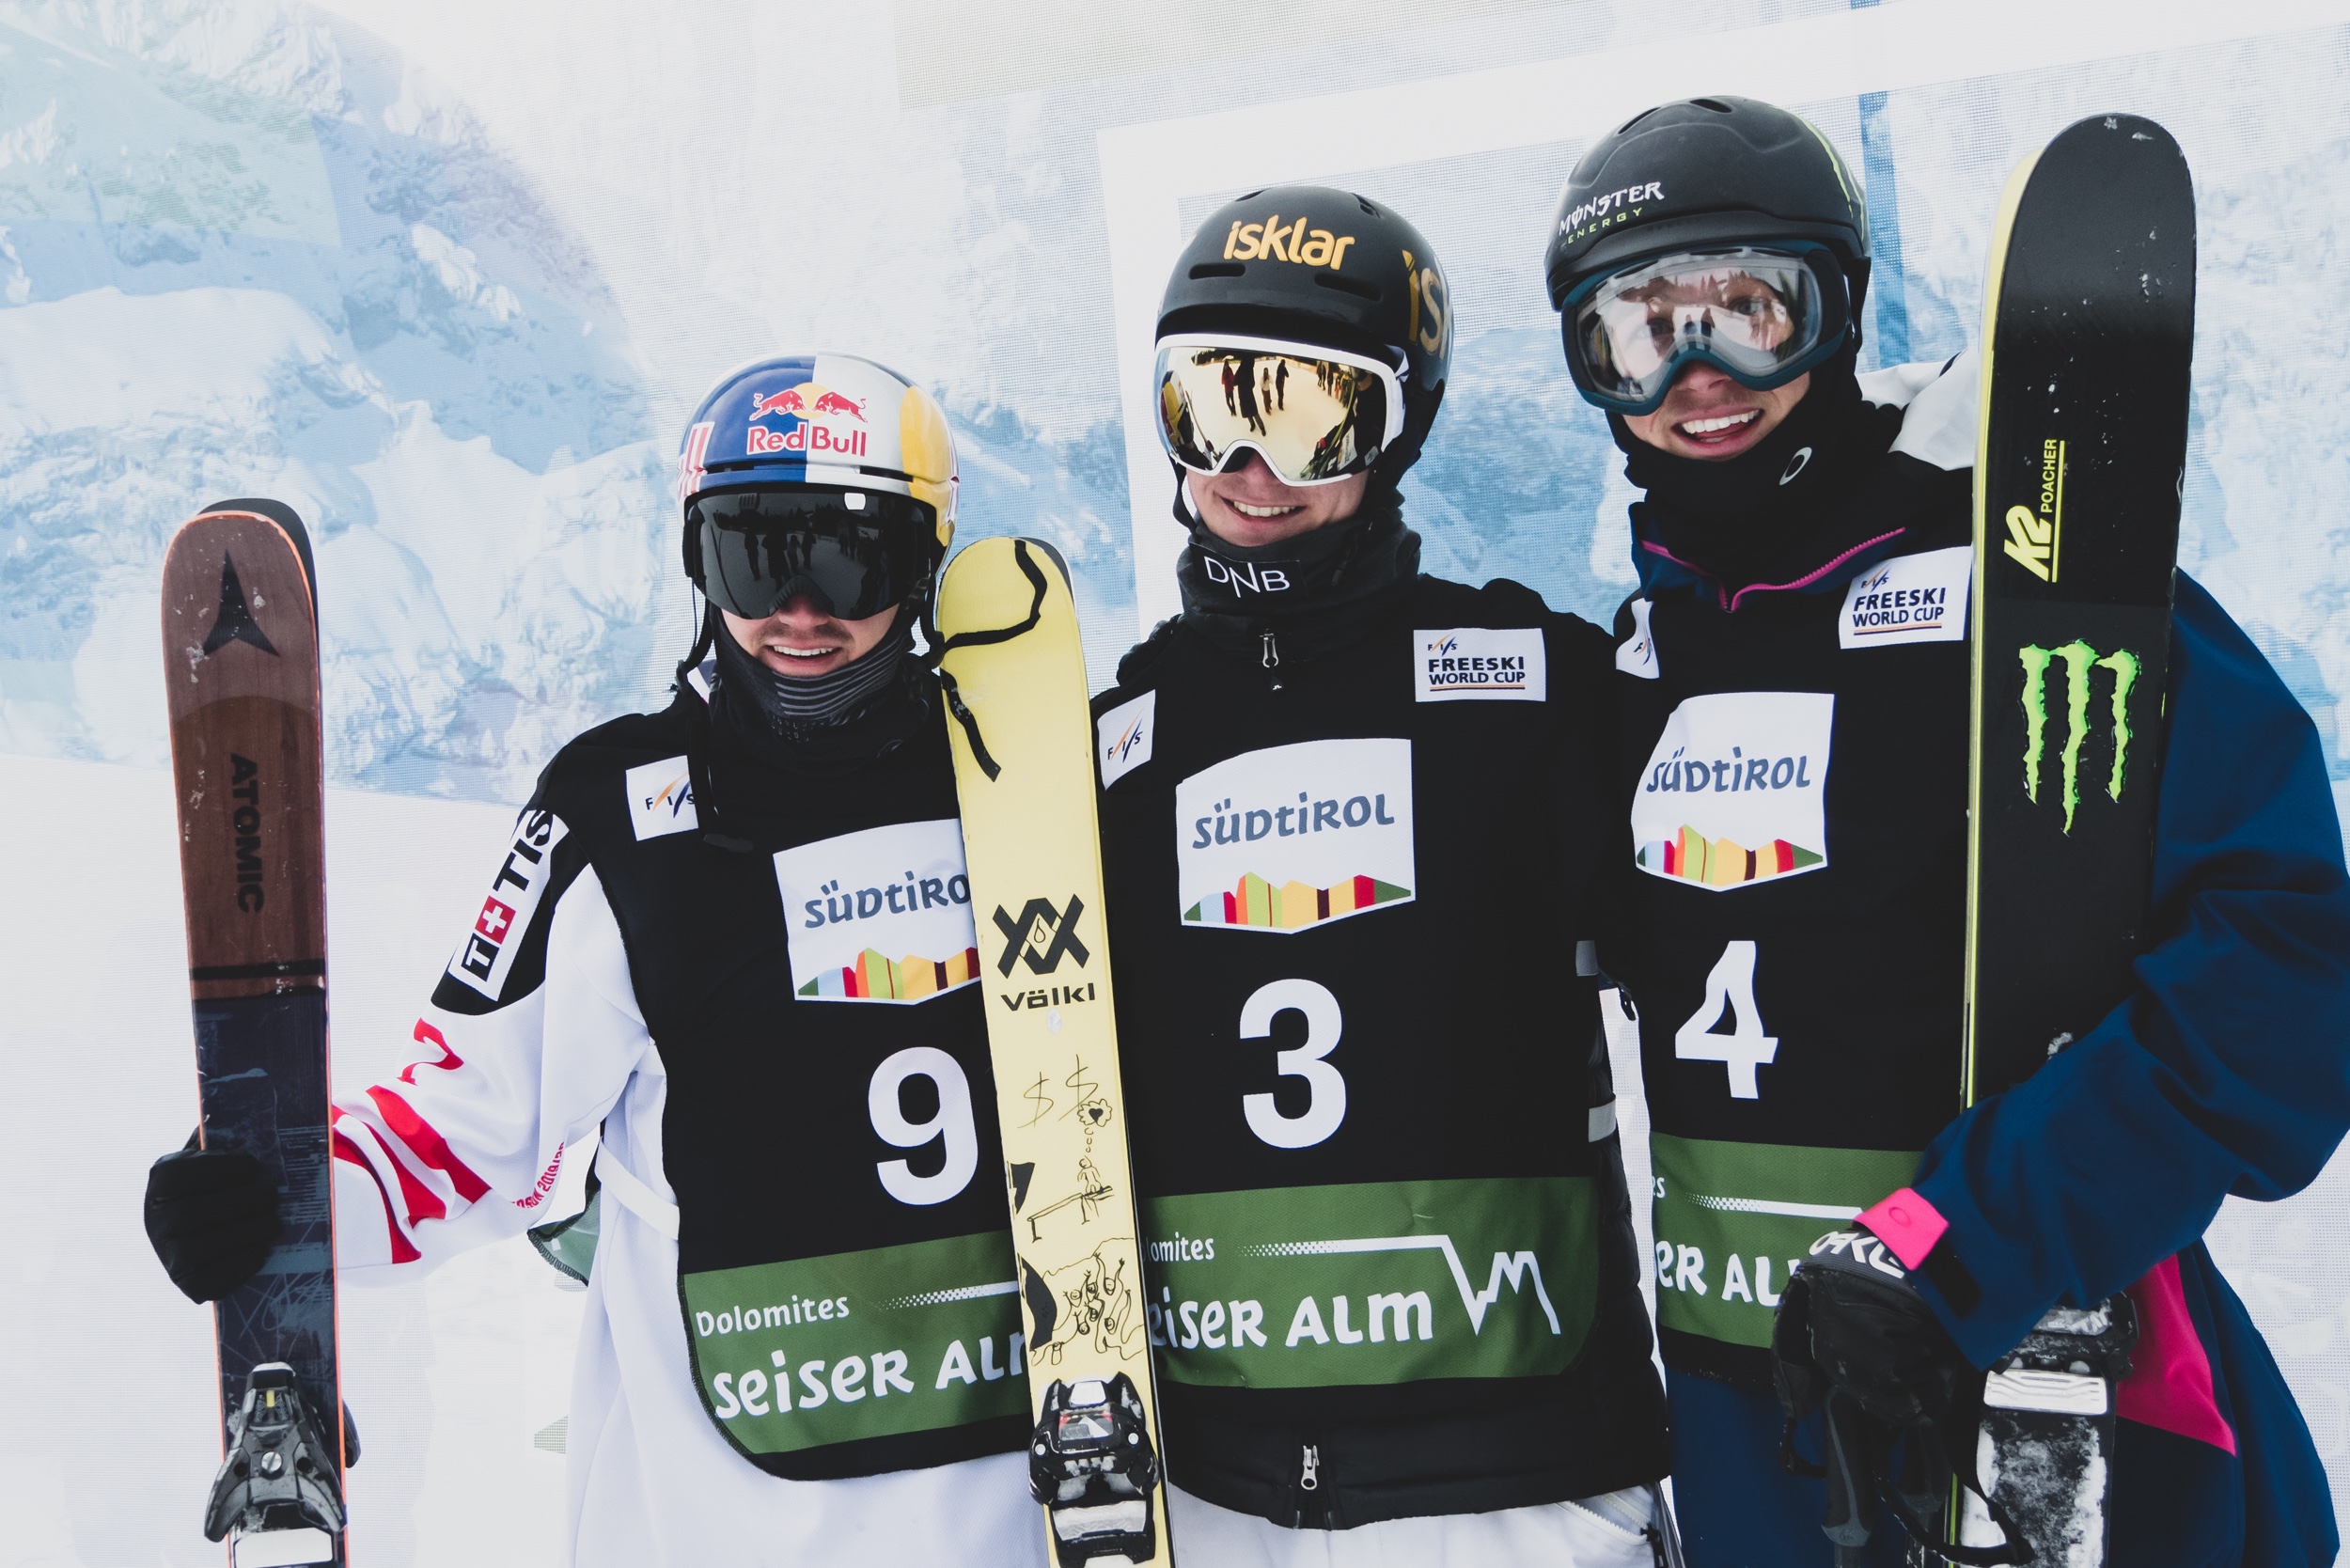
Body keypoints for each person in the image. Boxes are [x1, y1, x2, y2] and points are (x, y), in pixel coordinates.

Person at [1540, 95, 2350, 1566]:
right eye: (1642, 330)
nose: (1700, 376)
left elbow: (2289, 985)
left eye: (1751, 311)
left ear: (1833, 313)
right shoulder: (1646, 666)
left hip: (2058, 1402)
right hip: (1757, 1424)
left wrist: (1970, 1241)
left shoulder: (2042, 587)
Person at [141, 354, 1052, 1566]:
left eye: (846, 558)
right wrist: (271, 1201)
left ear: (921, 565)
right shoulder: (618, 815)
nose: (798, 609)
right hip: (725, 1515)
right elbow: (470, 1125)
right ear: (696, 564)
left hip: (1010, 1507)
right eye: (750, 556)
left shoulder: (1032, 786)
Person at [1091, 184, 1675, 1565]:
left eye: (1310, 416)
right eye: (1209, 408)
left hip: (1519, 1485)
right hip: (1225, 1485)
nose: (1250, 464)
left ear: (1397, 429)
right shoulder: (1115, 754)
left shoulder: (1537, 700)